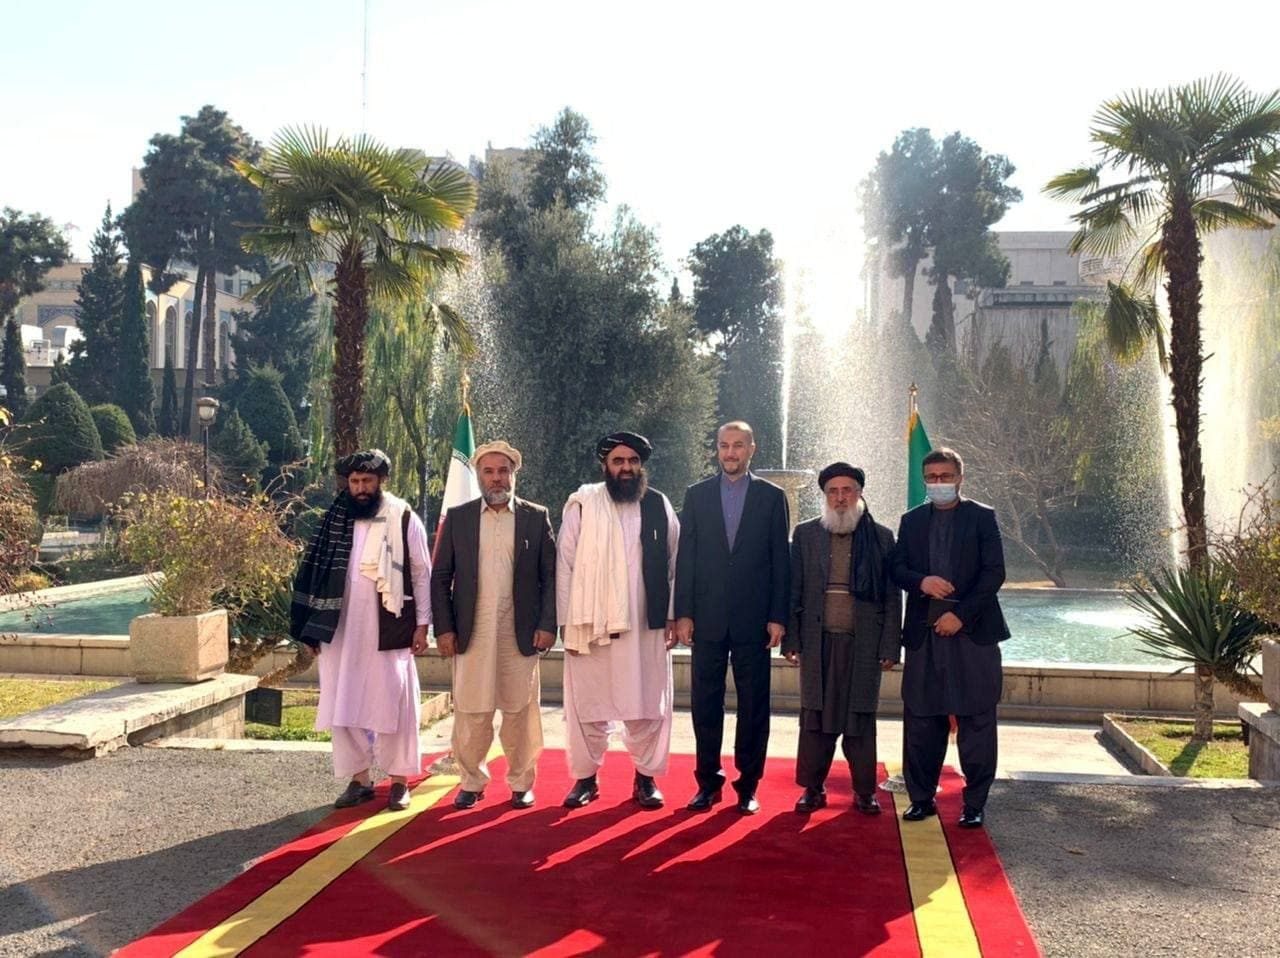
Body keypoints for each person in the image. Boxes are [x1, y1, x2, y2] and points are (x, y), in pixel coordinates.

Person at [290, 450, 431, 812]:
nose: (361, 488)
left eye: (367, 481)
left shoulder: (403, 516)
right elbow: (314, 573)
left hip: (389, 623)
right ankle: (359, 779)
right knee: (343, 700)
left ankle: (399, 781)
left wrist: (423, 624)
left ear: (381, 481)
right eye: (354, 482)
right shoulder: (334, 520)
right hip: (338, 627)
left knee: (394, 701)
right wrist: (311, 628)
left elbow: (421, 573)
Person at [429, 441, 557, 810]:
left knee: (520, 710)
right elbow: (441, 577)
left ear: (514, 475)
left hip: (521, 630)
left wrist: (548, 625)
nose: (496, 478)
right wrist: (444, 629)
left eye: (503, 471)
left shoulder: (536, 517)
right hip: (473, 629)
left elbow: (551, 577)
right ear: (479, 476)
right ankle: (471, 781)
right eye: (489, 471)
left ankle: (521, 783)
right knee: (472, 709)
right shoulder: (460, 517)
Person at [557, 431, 680, 810]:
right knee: (587, 701)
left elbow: (675, 564)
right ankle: (585, 779)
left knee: (647, 702)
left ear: (641, 466)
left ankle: (645, 778)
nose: (626, 468)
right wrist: (565, 621)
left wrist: (673, 615)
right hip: (590, 625)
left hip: (646, 623)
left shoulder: (659, 504)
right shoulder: (583, 504)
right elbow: (565, 563)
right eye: (618, 461)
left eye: (632, 461)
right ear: (605, 466)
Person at [889, 446, 1009, 829]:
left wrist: (960, 615)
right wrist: (921, 581)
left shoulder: (982, 517)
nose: (938, 483)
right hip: (924, 636)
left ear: (960, 478)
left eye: (945, 476)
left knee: (977, 721)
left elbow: (994, 573)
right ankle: (921, 798)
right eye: (931, 478)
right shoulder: (911, 521)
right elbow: (896, 568)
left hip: (972, 633)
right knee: (922, 721)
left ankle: (974, 804)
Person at [674, 421, 790, 814]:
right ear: (717, 449)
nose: (730, 452)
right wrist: (683, 613)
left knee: (754, 705)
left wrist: (778, 616)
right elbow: (686, 557)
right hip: (706, 618)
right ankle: (707, 783)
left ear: (751, 449)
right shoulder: (697, 495)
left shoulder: (772, 497)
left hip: (754, 620)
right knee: (705, 704)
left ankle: (748, 785)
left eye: (738, 445)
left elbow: (781, 560)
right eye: (724, 445)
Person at [784, 463, 901, 814]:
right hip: (817, 642)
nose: (840, 498)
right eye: (833, 491)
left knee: (860, 720)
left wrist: (890, 645)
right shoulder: (806, 535)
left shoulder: (881, 537)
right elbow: (794, 590)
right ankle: (812, 789)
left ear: (859, 493)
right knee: (814, 718)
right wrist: (792, 639)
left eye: (847, 490)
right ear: (824, 496)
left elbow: (891, 597)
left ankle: (864, 791)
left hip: (863, 643)